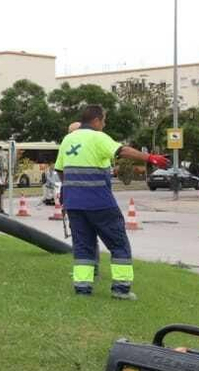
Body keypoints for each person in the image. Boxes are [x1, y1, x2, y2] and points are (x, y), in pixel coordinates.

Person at [55, 103, 167, 301]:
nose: (104, 124)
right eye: (104, 120)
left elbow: (60, 170)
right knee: (119, 244)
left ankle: (83, 289)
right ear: (97, 120)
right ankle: (121, 289)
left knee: (83, 246)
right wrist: (150, 157)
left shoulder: (68, 139)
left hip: (74, 204)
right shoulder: (98, 137)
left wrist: (71, 192)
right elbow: (122, 151)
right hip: (99, 203)